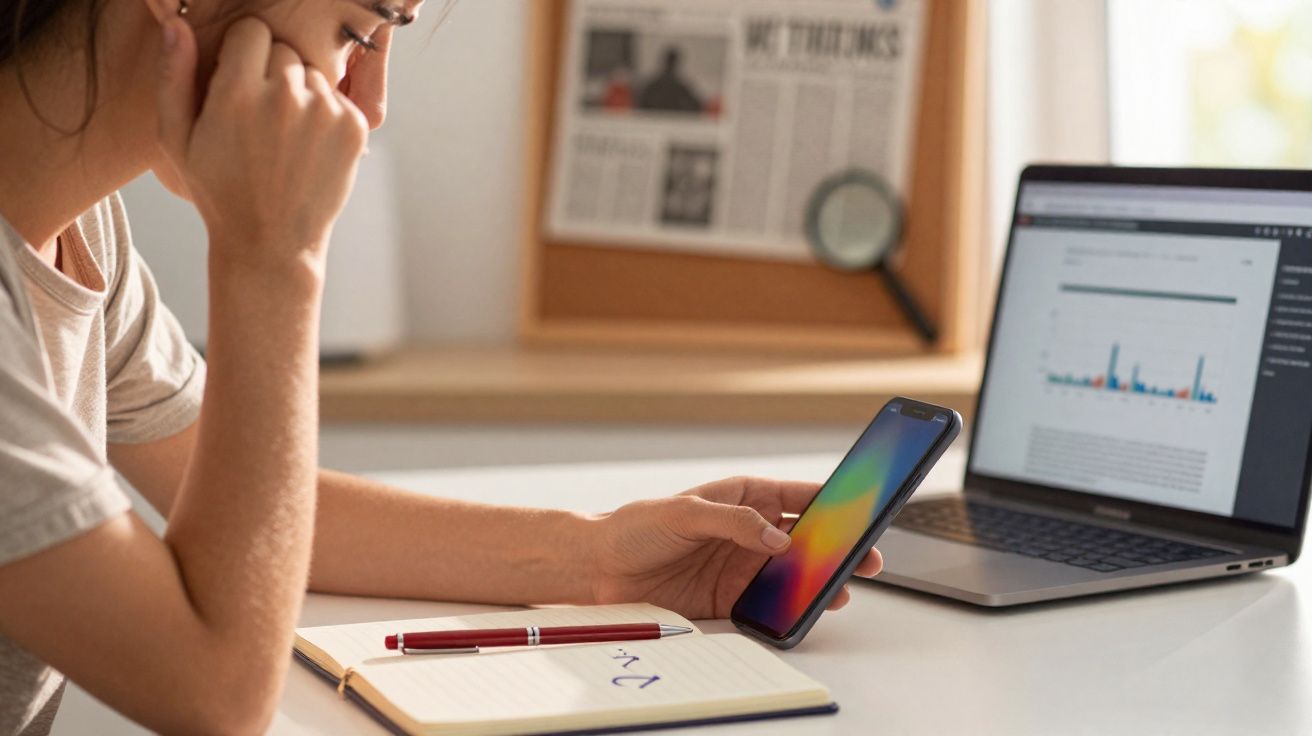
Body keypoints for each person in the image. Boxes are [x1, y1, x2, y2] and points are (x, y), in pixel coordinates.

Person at [0, 1, 883, 733]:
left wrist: (598, 557)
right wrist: (275, 257)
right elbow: (214, 694)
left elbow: (256, 513)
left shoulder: (85, 234)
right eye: (355, 32)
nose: (367, 106)